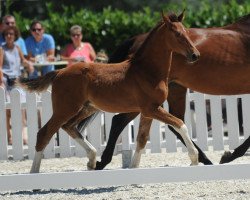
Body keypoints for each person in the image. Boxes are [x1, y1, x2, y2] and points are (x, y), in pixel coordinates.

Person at [0, 26, 34, 145]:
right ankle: (9, 136)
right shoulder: (2, 49)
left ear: (15, 36)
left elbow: (23, 60)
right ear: (4, 36)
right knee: (7, 110)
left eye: (11, 34)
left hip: (16, 80)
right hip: (6, 80)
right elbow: (0, 67)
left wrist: (28, 64)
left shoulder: (17, 47)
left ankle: (23, 135)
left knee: (21, 109)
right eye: (7, 34)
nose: (9, 36)